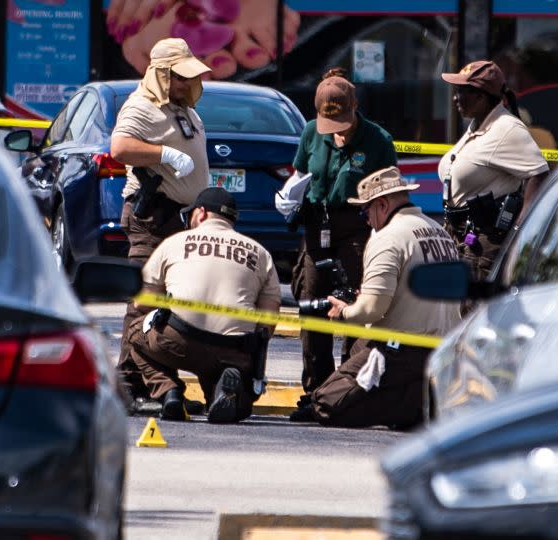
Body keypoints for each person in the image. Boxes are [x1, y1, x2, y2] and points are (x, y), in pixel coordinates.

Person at [290, 167, 461, 428]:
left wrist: (345, 311)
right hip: (441, 350)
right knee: (361, 347)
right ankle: (417, 399)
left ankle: (410, 409)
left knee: (325, 404)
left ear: (382, 204)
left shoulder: (388, 238)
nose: (365, 219)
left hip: (401, 349)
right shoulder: (440, 232)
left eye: (365, 210)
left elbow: (370, 310)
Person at [110, 37, 212, 413]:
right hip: (153, 216)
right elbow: (119, 148)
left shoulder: (182, 106)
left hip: (180, 219)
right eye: (180, 77)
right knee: (144, 300)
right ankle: (128, 383)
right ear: (162, 74)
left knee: (167, 303)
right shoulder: (141, 106)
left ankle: (139, 379)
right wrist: (163, 154)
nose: (187, 84)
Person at [287, 68, 398, 410]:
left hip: (359, 229)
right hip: (316, 226)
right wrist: (288, 198)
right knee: (313, 307)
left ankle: (347, 390)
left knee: (357, 309)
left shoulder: (378, 140)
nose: (338, 133)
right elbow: (301, 173)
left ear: (355, 106)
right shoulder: (310, 133)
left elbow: (391, 194)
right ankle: (316, 389)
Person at [124, 187, 281, 423]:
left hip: (178, 339)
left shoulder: (174, 242)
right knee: (235, 396)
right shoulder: (260, 253)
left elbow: (141, 302)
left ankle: (169, 392)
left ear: (201, 213)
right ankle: (226, 386)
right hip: (234, 347)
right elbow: (268, 320)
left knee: (135, 331)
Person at [437, 60, 548, 282]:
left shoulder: (507, 128)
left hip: (484, 241)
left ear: (481, 96)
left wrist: (519, 229)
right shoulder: (477, 126)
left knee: (475, 311)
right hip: (460, 233)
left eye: (462, 91)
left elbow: (539, 174)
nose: (455, 97)